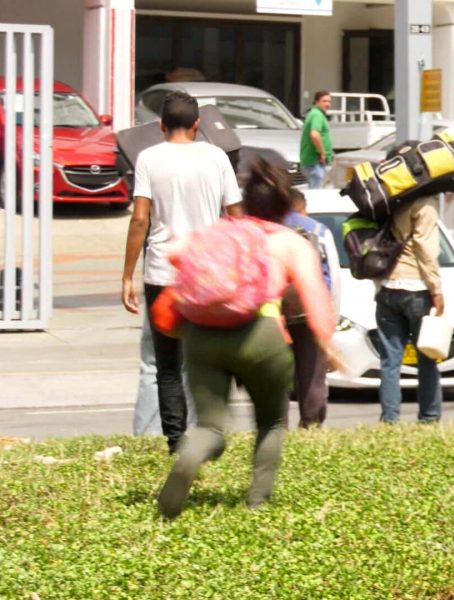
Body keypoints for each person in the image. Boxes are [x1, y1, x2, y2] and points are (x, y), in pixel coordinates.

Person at [156, 159, 340, 519]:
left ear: (245, 202)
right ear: (286, 206)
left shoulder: (220, 231)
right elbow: (315, 297)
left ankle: (192, 456)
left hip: (203, 336)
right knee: (270, 422)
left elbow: (174, 253)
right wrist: (327, 342)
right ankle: (257, 502)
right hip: (260, 335)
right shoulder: (289, 241)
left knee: (209, 425)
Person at [121, 90, 243, 453]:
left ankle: (176, 441)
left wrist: (127, 275)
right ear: (197, 124)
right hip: (207, 276)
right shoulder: (216, 157)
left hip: (163, 274)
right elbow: (235, 217)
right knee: (207, 358)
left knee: (168, 365)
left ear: (161, 125)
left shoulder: (149, 158)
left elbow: (140, 219)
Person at [375, 142, 445, 424]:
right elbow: (426, 249)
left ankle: (390, 419)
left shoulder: (389, 199)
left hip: (388, 287)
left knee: (390, 361)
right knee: (427, 357)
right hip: (417, 288)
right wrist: (436, 289)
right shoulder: (424, 204)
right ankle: (428, 417)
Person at [283, 188, 341, 428]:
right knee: (313, 373)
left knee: (277, 372)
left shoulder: (269, 229)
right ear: (303, 207)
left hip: (277, 311)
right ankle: (311, 422)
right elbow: (334, 276)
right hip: (311, 309)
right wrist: (332, 315)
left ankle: (277, 427)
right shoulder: (318, 230)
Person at [300, 90, 333, 189]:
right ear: (316, 102)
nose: (327, 104)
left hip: (315, 162)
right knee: (316, 194)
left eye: (329, 101)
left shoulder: (316, 114)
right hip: (315, 162)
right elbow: (314, 135)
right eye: (324, 101)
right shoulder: (317, 114)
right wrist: (322, 153)